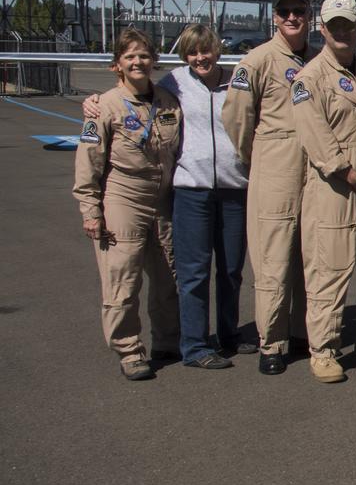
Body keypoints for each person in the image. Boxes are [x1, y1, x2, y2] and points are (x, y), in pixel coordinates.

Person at [82, 24, 253, 368]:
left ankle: (226, 334)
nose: (200, 57)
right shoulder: (173, 84)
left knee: (229, 269)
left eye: (206, 50)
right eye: (192, 52)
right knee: (191, 272)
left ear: (217, 51)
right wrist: (94, 101)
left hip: (231, 189)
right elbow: (129, 102)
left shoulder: (235, 82)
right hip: (187, 190)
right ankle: (192, 345)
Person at [291, 0, 356, 383]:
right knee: (329, 269)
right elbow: (314, 135)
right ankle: (325, 349)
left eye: (348, 24)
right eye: (334, 26)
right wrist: (345, 170)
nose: (342, 32)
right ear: (322, 29)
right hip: (333, 185)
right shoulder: (309, 79)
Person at [73, 29, 182, 380]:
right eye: (130, 57)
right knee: (122, 280)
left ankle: (168, 340)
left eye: (144, 56)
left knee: (168, 278)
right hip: (123, 199)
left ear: (153, 61)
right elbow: (88, 162)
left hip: (161, 200)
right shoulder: (104, 106)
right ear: (117, 65)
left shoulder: (168, 101)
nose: (138, 62)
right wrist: (91, 210)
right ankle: (129, 349)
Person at [223, 0, 319, 375]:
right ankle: (272, 341)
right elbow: (237, 119)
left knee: (309, 255)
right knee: (273, 258)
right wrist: (260, 156)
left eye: (299, 11)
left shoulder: (318, 59)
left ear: (308, 16)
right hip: (276, 162)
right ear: (274, 18)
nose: (292, 18)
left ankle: (301, 331)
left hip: (314, 165)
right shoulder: (257, 60)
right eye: (285, 12)